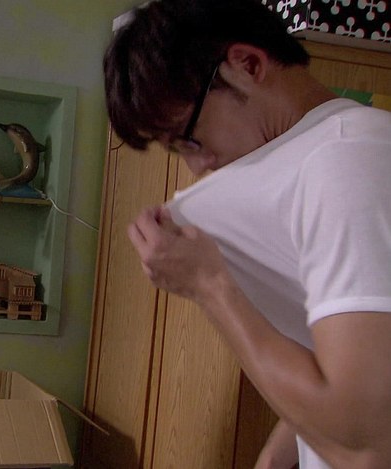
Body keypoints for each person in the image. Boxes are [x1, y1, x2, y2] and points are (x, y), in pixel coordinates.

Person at [103, 1, 391, 468]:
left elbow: (367, 443)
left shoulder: (346, 162)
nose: (198, 165)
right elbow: (349, 361)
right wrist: (274, 459)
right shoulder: (328, 153)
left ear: (247, 65)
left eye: (188, 137)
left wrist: (211, 286)